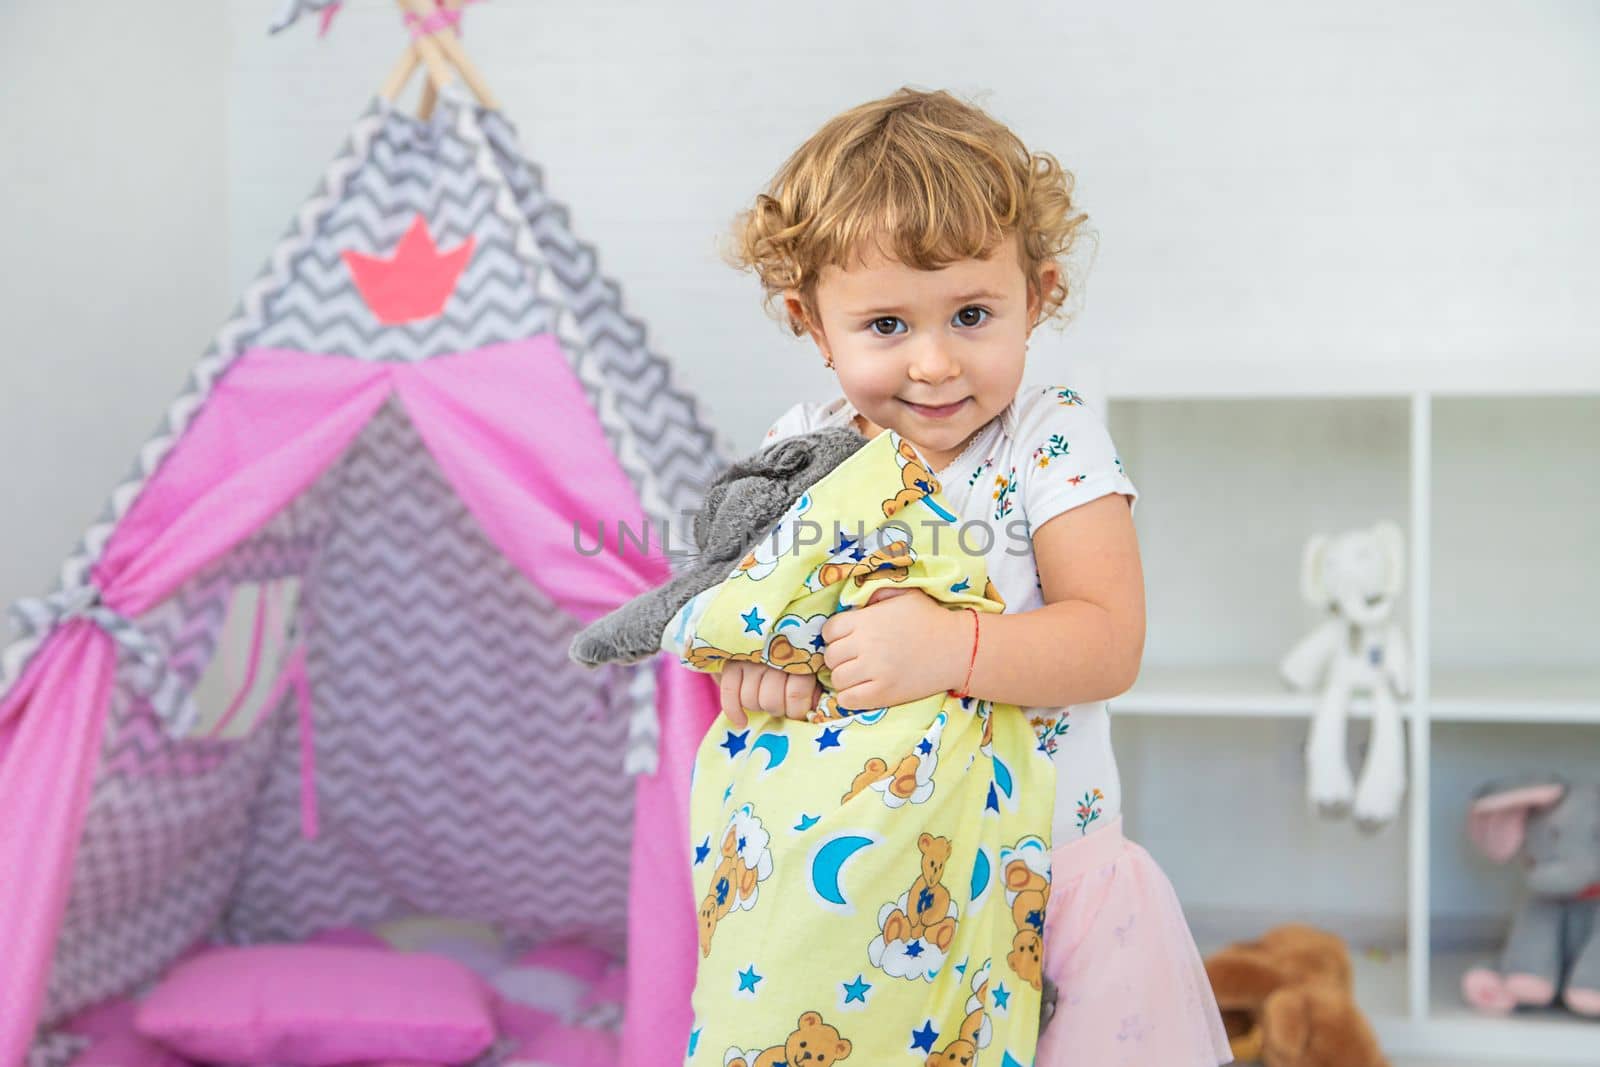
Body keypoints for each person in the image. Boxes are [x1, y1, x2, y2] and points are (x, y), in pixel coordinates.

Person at [722, 86, 1232, 1066]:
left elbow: (1106, 638)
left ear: (1034, 297)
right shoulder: (799, 454)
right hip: (859, 893)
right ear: (811, 323)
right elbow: (755, 634)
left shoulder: (1047, 440)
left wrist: (946, 645)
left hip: (1046, 889)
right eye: (883, 325)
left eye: (969, 313)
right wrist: (761, 674)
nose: (933, 361)